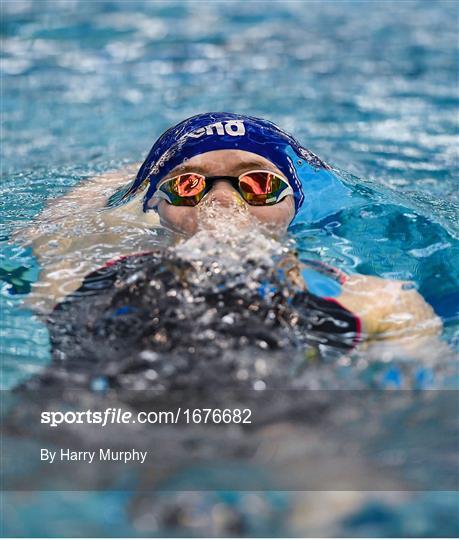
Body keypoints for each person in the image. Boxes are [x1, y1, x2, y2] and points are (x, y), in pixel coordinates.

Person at [17, 112, 441, 349]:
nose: (221, 200)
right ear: (158, 207)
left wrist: (169, 166)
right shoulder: (82, 281)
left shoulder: (381, 305)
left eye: (258, 184)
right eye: (188, 185)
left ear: (294, 203)